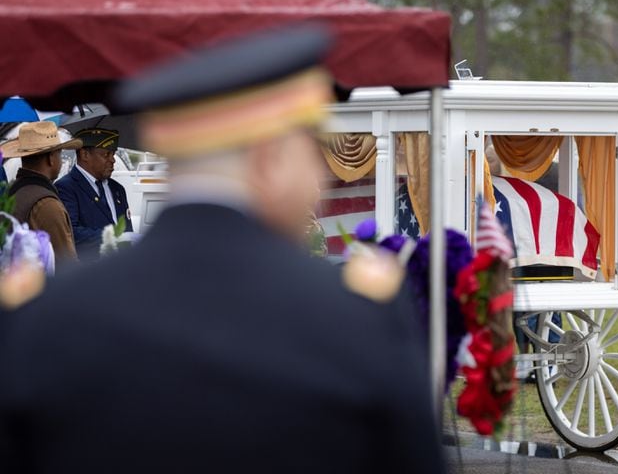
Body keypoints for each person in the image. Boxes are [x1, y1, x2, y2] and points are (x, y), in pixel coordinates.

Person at [0, 25, 444, 474]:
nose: (315, 178)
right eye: (309, 152)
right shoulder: (358, 317)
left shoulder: (44, 316)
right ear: (270, 158)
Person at [1, 122, 81, 263]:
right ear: (51, 159)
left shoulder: (12, 192)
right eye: (59, 154)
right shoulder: (47, 203)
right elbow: (67, 263)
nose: (61, 160)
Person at [55, 128, 133, 260]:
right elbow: (70, 233)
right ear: (85, 155)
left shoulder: (117, 189)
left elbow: (128, 230)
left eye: (113, 154)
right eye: (106, 155)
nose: (112, 160)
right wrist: (114, 236)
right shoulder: (66, 188)